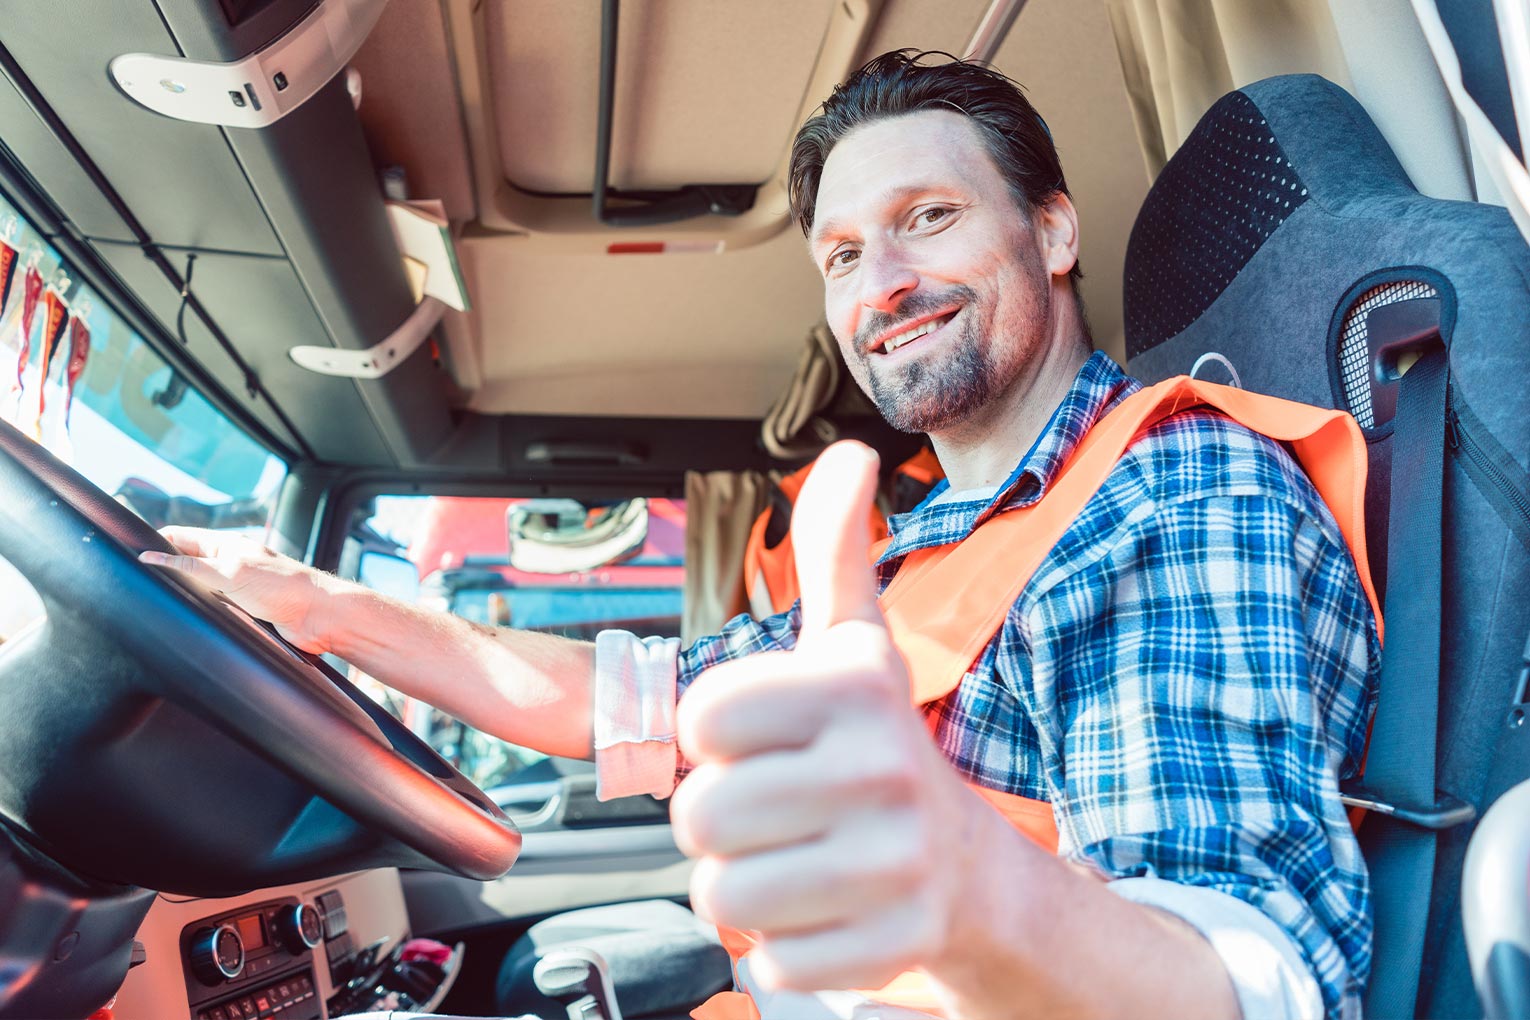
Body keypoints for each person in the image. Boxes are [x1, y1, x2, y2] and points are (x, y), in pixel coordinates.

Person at [143, 50, 1379, 1020]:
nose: (879, 282)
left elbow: (1242, 977)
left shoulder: (1173, 496)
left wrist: (973, 890)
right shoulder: (926, 544)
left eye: (929, 217)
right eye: (841, 253)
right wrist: (317, 610)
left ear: (1053, 234)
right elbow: (616, 698)